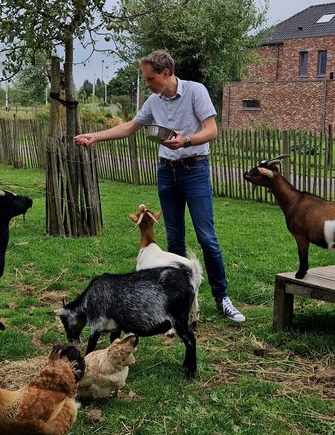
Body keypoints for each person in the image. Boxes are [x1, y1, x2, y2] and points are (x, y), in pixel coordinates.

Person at [74, 49, 245, 323]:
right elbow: (130, 127)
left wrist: (186, 140)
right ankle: (180, 304)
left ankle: (222, 297)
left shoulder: (195, 91)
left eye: (150, 79)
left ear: (166, 73)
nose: (147, 85)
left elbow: (212, 130)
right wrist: (95, 136)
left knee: (206, 237)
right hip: (167, 172)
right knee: (175, 241)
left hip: (195, 169)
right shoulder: (154, 101)